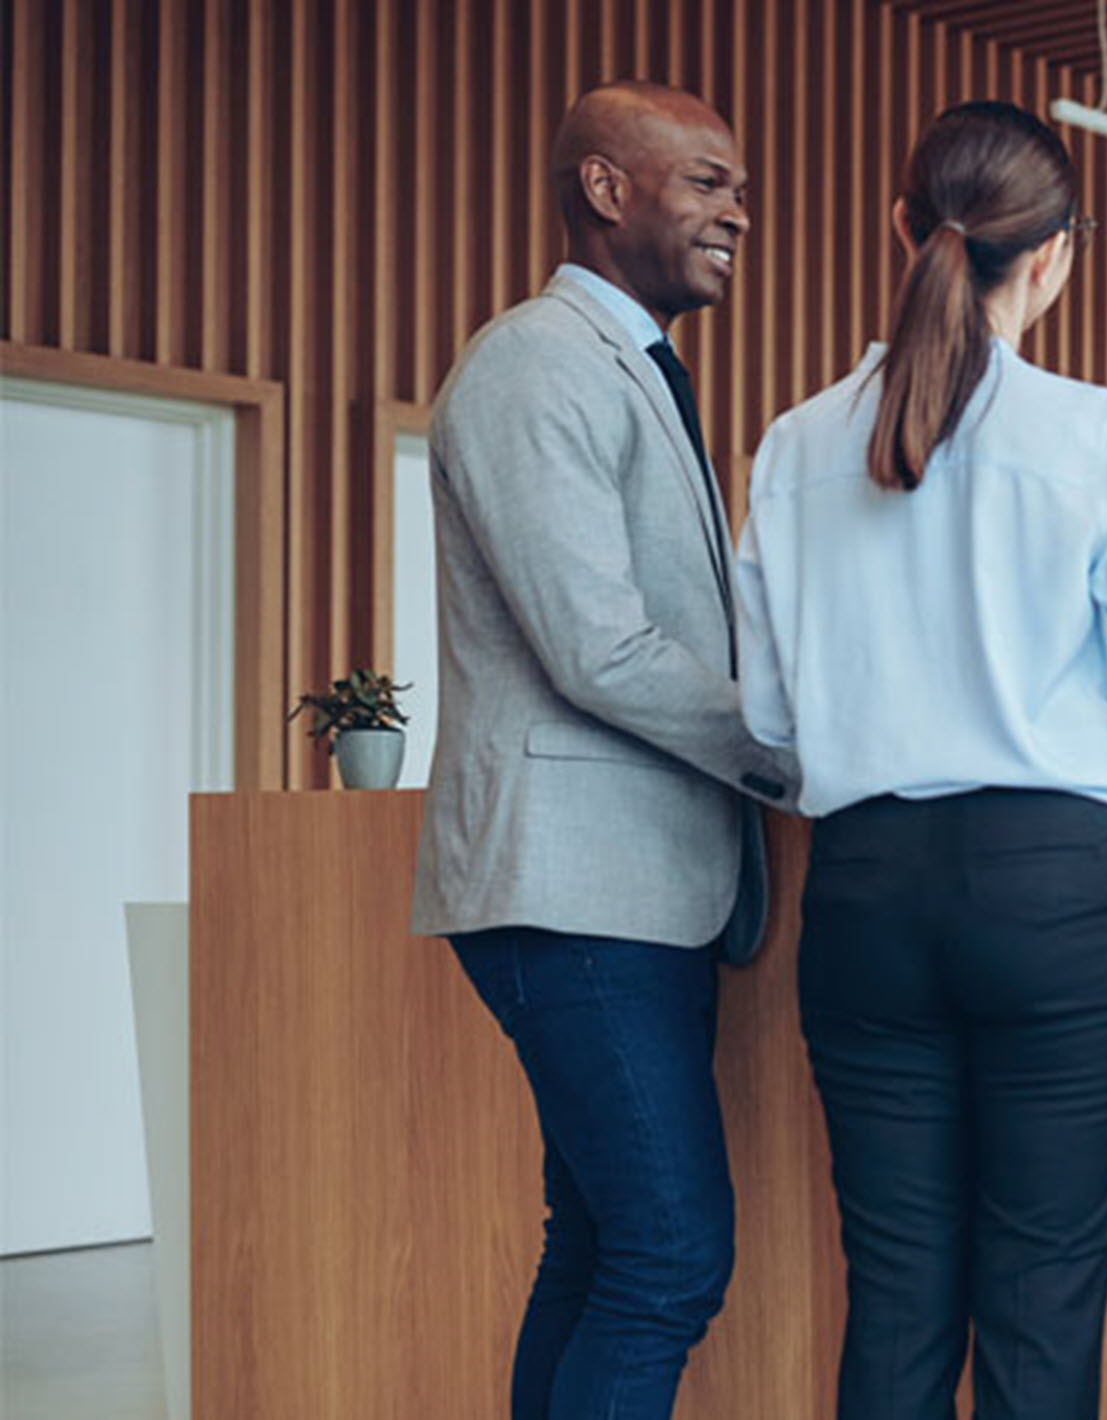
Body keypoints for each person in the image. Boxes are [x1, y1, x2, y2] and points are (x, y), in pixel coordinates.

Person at [732, 100, 1107, 1420]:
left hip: (866, 897)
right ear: (1061, 253)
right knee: (1040, 1298)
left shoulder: (792, 449)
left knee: (894, 1298)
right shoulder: (1093, 434)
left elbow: (769, 729)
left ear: (904, 230)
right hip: (1068, 896)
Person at [410, 81, 796, 1420]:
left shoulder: (625, 365)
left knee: (599, 1247)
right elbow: (599, 648)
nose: (739, 212)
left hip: (634, 893)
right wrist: (797, 751)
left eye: (737, 186)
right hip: (570, 892)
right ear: (605, 188)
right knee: (669, 1255)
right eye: (706, 181)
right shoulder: (534, 363)